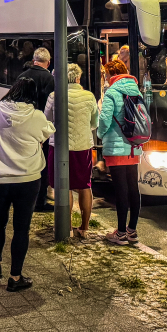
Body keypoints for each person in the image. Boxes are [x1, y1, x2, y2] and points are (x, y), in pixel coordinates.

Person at [0, 78, 55, 291]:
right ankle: (15, 277)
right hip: (28, 178)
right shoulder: (36, 116)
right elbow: (47, 132)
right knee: (21, 228)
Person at [44, 63, 98, 238]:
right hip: (83, 147)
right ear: (78, 78)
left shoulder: (54, 96)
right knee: (85, 186)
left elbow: (47, 120)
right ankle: (84, 228)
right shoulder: (89, 96)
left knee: (63, 186)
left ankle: (65, 227)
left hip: (60, 147)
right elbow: (94, 123)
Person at [97, 60, 143, 245]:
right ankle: (132, 230)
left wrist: (100, 134)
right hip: (134, 146)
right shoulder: (136, 90)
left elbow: (105, 120)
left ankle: (121, 233)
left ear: (110, 75)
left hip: (116, 148)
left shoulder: (112, 92)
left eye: (106, 74)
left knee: (121, 189)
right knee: (133, 187)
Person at [17, 47, 54, 212]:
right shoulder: (49, 78)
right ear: (48, 62)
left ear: (34, 60)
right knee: (42, 164)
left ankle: (23, 198)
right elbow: (50, 105)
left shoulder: (21, 76)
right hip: (39, 128)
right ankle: (39, 202)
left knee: (24, 162)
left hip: (22, 126)